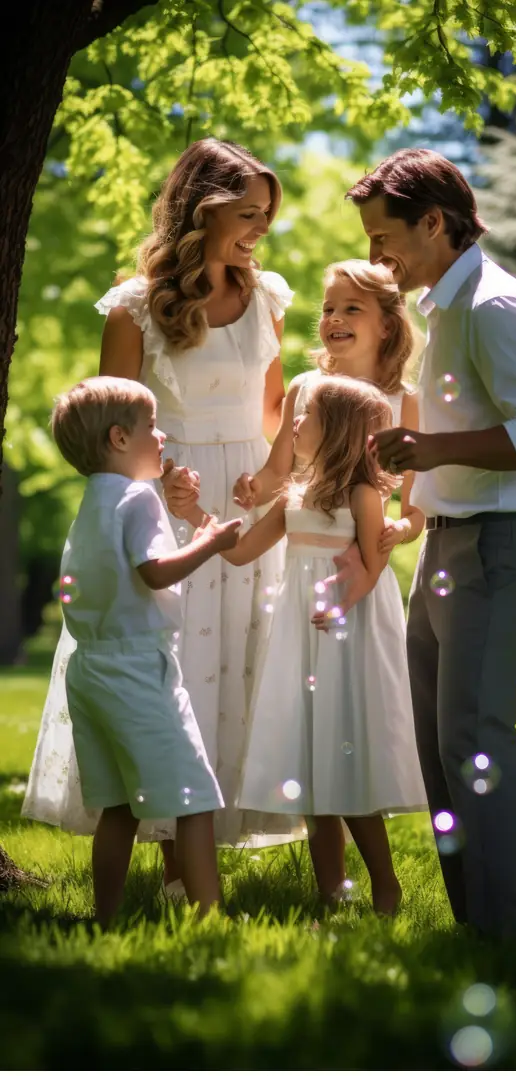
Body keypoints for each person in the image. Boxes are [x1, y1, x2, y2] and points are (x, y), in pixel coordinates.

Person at [23, 139, 302, 889]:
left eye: (266, 215)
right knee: (177, 666)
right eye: (246, 213)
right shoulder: (136, 306)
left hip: (247, 494)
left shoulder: (268, 295)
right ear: (200, 209)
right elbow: (114, 424)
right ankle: (175, 858)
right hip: (169, 497)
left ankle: (212, 844)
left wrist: (293, 471)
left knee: (242, 662)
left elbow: (273, 410)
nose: (259, 229)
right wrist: (170, 484)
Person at [339, 148, 516, 937]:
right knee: (444, 750)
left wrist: (433, 450)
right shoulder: (445, 303)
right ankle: (476, 927)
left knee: (475, 742)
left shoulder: (495, 305)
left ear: (433, 222)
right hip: (447, 545)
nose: (377, 257)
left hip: (497, 546)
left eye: (383, 237)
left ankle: (509, 936)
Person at [218, 376, 427, 914]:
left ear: (335, 431)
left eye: (305, 416)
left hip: (346, 634)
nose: (294, 423)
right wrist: (201, 520)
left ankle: (385, 887)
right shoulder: (294, 496)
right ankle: (331, 893)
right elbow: (239, 552)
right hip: (300, 634)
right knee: (311, 768)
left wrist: (355, 575)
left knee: (343, 756)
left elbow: (375, 566)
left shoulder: (363, 495)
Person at [49, 376, 242, 926]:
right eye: (152, 428)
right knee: (195, 797)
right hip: (138, 667)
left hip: (90, 668)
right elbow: (154, 571)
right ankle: (210, 920)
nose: (163, 437)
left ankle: (106, 914)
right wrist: (210, 541)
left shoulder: (92, 501)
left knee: (118, 806)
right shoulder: (138, 497)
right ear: (118, 438)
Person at [232, 259, 424, 557]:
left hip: (361, 564)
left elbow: (415, 509)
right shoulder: (304, 387)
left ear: (387, 325)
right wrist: (254, 489)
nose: (334, 318)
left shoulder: (405, 402)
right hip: (301, 553)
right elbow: (277, 472)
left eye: (352, 309)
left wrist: (401, 529)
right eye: (328, 309)